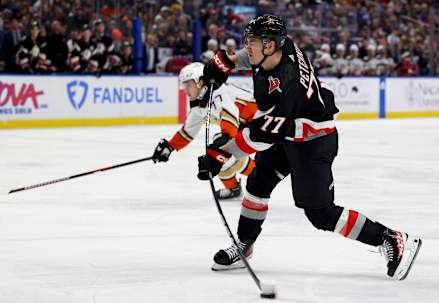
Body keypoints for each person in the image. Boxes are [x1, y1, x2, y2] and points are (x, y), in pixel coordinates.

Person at [197, 14, 422, 280]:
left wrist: (224, 154)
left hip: (312, 142)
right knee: (258, 182)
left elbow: (259, 137)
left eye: (253, 41)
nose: (248, 45)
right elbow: (254, 60)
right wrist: (229, 62)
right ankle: (245, 245)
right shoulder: (282, 46)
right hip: (290, 132)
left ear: (270, 45)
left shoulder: (285, 89)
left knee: (320, 214)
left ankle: (390, 238)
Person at [152, 62, 257, 199]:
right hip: (245, 123)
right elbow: (188, 132)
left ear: (200, 82)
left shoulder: (217, 92)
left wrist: (226, 137)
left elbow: (229, 112)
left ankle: (260, 174)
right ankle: (233, 188)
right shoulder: (199, 104)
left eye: (188, 84)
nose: (185, 89)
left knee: (221, 151)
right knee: (216, 152)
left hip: (260, 117)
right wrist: (170, 147)